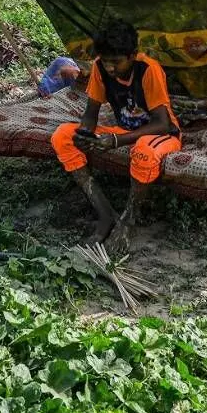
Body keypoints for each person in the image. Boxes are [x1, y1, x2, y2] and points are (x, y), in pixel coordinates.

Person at [50, 20, 182, 249]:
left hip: (160, 134)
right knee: (63, 136)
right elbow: (91, 113)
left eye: (116, 62)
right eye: (107, 61)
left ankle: (128, 221)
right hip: (124, 130)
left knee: (144, 152)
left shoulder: (148, 69)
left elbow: (162, 123)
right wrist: (85, 133)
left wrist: (116, 141)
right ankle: (105, 214)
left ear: (132, 55)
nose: (110, 68)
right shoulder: (101, 66)